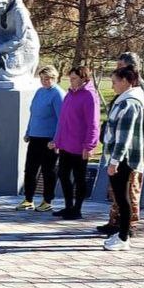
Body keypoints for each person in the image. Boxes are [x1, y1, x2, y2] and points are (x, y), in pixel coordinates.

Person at [97, 52, 144, 237]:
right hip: (119, 151)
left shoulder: (137, 92)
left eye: (120, 66)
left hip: (130, 152)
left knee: (129, 191)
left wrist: (140, 149)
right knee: (117, 192)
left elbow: (142, 124)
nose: (116, 69)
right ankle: (115, 222)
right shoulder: (124, 92)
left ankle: (126, 227)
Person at [49, 66, 100, 220]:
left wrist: (89, 145)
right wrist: (57, 141)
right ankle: (68, 206)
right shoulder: (69, 94)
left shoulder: (90, 96)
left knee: (79, 178)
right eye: (70, 79)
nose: (71, 82)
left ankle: (77, 209)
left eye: (74, 79)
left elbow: (93, 123)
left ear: (84, 78)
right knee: (63, 175)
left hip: (79, 146)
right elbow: (63, 121)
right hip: (65, 144)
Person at [16, 65, 65, 212]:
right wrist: (28, 131)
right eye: (42, 78)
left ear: (54, 78)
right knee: (30, 169)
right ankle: (28, 199)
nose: (44, 81)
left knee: (47, 171)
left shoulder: (58, 94)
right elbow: (33, 114)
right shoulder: (39, 91)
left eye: (48, 78)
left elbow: (61, 120)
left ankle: (47, 200)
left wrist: (56, 140)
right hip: (35, 137)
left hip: (49, 140)